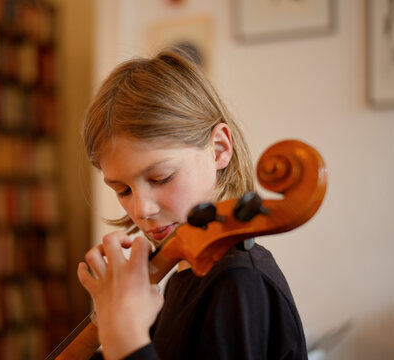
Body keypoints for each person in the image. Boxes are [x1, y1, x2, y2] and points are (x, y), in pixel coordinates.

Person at [77, 49, 308, 360]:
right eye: (123, 190)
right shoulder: (184, 274)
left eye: (160, 177)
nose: (141, 210)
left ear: (218, 149)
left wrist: (125, 337)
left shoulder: (239, 280)